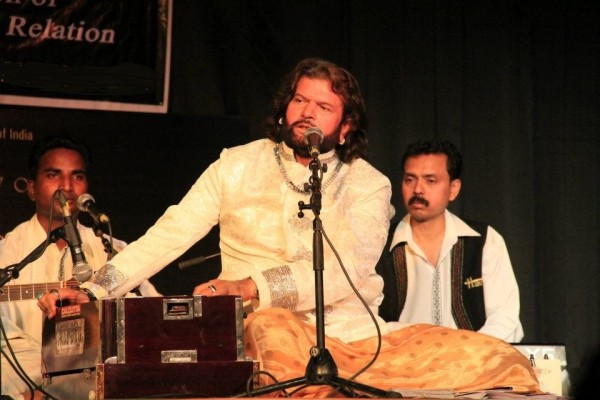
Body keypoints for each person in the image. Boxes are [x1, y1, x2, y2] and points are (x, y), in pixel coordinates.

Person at [38, 59, 539, 396]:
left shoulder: (369, 185)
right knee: (275, 337)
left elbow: (349, 269)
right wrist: (92, 287)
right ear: (284, 107)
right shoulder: (235, 166)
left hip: (355, 338)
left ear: (345, 126)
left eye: (324, 107)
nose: (307, 113)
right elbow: (169, 234)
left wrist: (250, 284)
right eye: (301, 101)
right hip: (258, 331)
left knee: (498, 361)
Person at [0, 135, 159, 400]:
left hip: (100, 382)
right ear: (31, 188)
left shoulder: (113, 250)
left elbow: (151, 311)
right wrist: (48, 376)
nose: (66, 186)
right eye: (53, 175)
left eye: (77, 176)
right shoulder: (7, 253)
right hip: (26, 382)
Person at [377, 139, 523, 343]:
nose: (418, 189)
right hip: (400, 365)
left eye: (430, 180)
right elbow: (366, 319)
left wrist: (464, 354)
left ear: (453, 189)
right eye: (410, 179)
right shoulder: (379, 244)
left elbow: (505, 317)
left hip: (472, 364)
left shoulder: (483, 241)